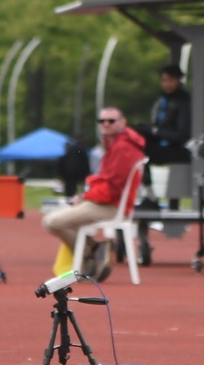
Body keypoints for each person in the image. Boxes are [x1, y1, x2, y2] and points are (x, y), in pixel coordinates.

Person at [41, 107, 146, 280]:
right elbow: (107, 181)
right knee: (60, 214)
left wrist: (85, 196)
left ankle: (91, 252)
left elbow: (112, 189)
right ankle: (94, 250)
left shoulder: (123, 148)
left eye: (111, 121)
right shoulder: (118, 144)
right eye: (102, 121)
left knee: (52, 222)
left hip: (112, 206)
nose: (105, 124)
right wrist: (88, 192)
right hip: (109, 202)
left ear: (122, 122)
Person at [144, 63, 192, 208]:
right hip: (162, 145)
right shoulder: (162, 100)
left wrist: (155, 132)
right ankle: (150, 195)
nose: (166, 84)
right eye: (164, 80)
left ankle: (165, 204)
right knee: (134, 150)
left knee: (140, 153)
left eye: (170, 80)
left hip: (179, 150)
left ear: (178, 80)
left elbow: (181, 134)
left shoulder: (184, 102)